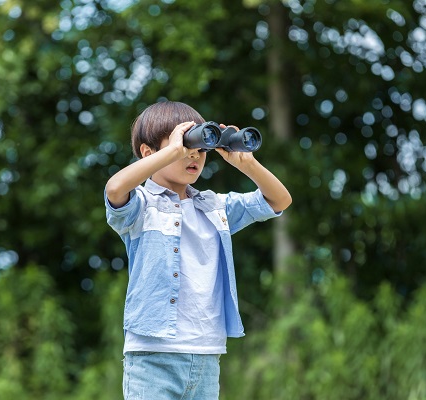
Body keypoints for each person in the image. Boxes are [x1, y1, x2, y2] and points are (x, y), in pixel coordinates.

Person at [104, 101, 292, 399]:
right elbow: (114, 189)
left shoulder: (215, 207)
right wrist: (173, 151)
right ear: (148, 153)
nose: (194, 154)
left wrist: (247, 163)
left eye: (201, 147)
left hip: (206, 354)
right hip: (153, 355)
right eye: (186, 144)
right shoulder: (142, 206)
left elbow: (278, 200)